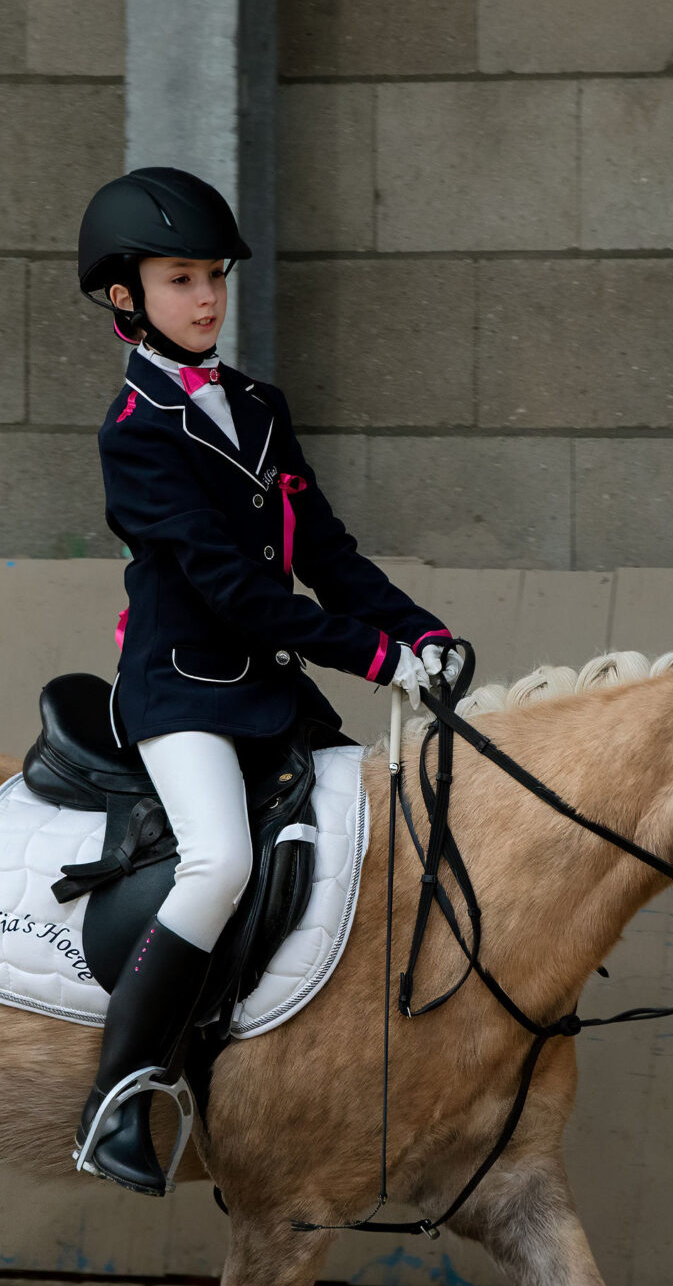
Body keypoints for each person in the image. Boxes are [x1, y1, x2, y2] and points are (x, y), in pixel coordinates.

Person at [71, 166, 458, 1196]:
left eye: (214, 278)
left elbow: (325, 552)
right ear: (126, 296)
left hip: (273, 690)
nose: (206, 298)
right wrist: (378, 658)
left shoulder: (256, 405)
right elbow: (232, 587)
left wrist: (423, 631)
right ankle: (117, 1097)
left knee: (378, 834)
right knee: (218, 866)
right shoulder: (135, 431)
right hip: (182, 692)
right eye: (181, 279)